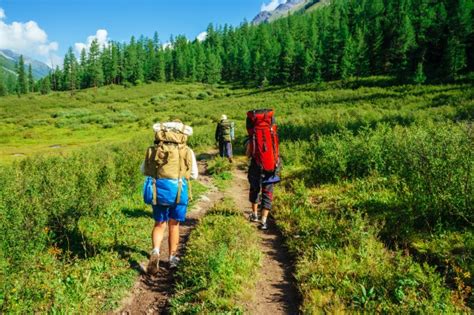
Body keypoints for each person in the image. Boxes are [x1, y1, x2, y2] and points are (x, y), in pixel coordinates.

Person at [141, 121, 198, 274]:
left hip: (157, 190)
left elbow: (144, 170)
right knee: (174, 225)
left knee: (159, 223)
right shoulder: (187, 150)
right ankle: (172, 258)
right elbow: (194, 174)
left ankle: (155, 251)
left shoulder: (154, 149)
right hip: (178, 190)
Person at [245, 109, 280, 230]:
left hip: (256, 164)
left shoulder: (253, 134)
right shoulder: (272, 132)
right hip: (271, 165)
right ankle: (264, 221)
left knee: (255, 188)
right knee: (268, 191)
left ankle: (254, 215)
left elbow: (248, 154)